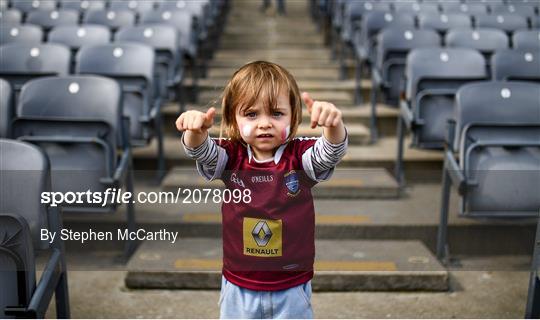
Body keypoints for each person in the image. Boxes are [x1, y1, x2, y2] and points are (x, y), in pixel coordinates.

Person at [176, 61, 348, 319]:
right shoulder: (231, 156)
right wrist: (194, 131)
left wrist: (333, 126)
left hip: (291, 286)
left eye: (277, 113)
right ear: (234, 117)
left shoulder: (299, 157)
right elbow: (200, 150)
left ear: (294, 115)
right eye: (252, 114)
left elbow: (330, 152)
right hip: (238, 285)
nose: (265, 123)